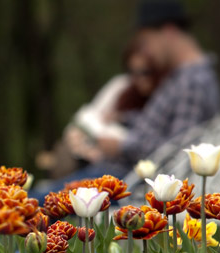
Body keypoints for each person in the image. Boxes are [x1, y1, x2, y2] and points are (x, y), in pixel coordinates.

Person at [31, 0, 220, 198]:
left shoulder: (192, 82)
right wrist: (125, 119)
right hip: (121, 175)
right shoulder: (183, 77)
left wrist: (121, 146)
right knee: (31, 198)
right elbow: (165, 130)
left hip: (130, 183)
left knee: (29, 202)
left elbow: (178, 151)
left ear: (169, 31)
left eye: (147, 40)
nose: (147, 50)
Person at [39, 37, 167, 178]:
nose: (138, 78)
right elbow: (90, 116)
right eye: (132, 72)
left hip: (118, 169)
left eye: (145, 72)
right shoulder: (121, 86)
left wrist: (121, 141)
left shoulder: (163, 98)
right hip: (83, 154)